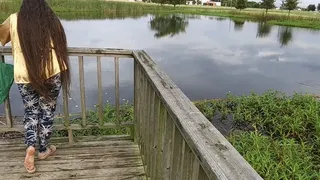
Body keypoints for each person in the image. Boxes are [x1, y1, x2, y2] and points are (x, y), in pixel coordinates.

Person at [0, 0, 70, 174]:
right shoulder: (51, 18)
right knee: (47, 110)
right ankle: (43, 149)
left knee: (31, 112)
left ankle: (30, 147)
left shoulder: (14, 19)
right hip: (51, 72)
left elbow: (2, 37)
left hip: (25, 75)